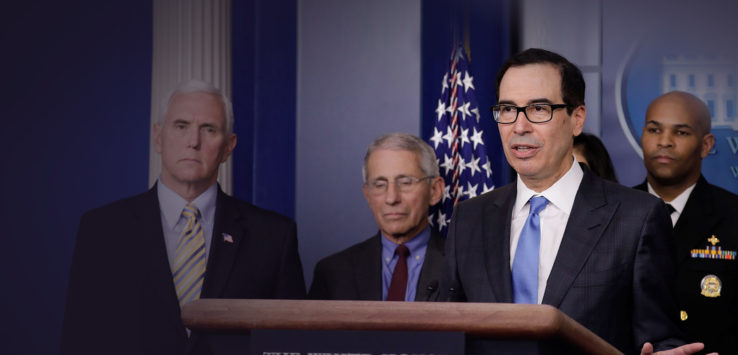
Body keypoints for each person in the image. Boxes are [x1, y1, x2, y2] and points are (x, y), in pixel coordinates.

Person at [443, 48, 706, 354]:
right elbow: (449, 334)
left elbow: (659, 338)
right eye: (507, 109)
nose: (519, 126)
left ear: (577, 119)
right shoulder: (469, 219)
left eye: (539, 109)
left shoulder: (637, 217)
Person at [61, 80, 306, 355]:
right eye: (181, 126)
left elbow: (291, 346)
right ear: (157, 137)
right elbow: (79, 341)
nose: (193, 142)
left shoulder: (273, 237)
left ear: (228, 146)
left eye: (209, 129)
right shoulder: (103, 230)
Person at [634, 91, 738, 355]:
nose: (665, 142)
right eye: (654, 130)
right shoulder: (610, 213)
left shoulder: (733, 215)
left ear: (706, 145)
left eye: (681, 133)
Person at [309, 133, 445, 301]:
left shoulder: (462, 268)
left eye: (405, 182)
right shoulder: (333, 273)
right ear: (367, 195)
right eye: (380, 185)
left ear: (434, 191)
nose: (391, 198)